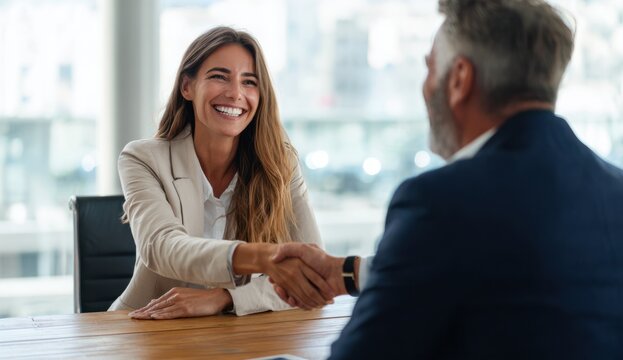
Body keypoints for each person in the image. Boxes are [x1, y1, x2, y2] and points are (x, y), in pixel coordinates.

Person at [271, 0, 623, 358]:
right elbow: (511, 268)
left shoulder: (440, 202)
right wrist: (349, 273)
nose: (425, 87)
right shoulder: (615, 189)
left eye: (429, 68)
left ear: (459, 79)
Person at [109, 26, 334, 318]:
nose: (235, 93)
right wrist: (264, 258)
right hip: (148, 324)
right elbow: (161, 247)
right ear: (187, 87)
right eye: (219, 77)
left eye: (249, 81)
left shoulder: (280, 163)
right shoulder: (143, 158)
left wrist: (227, 298)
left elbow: (313, 276)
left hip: (238, 331)